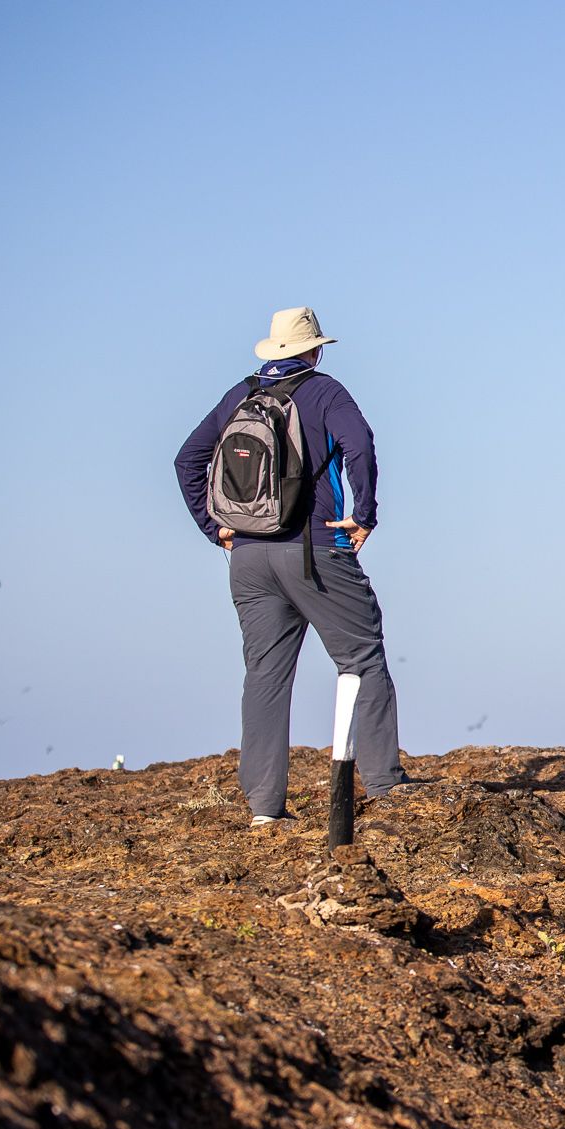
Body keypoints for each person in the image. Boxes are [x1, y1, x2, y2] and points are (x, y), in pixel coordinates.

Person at [175, 306, 411, 827]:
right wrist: (364, 514)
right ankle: (385, 786)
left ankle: (264, 809)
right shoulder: (326, 391)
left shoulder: (241, 394)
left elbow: (187, 459)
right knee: (362, 657)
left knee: (264, 677)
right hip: (313, 550)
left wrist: (214, 528)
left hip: (248, 558)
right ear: (315, 348)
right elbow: (360, 446)